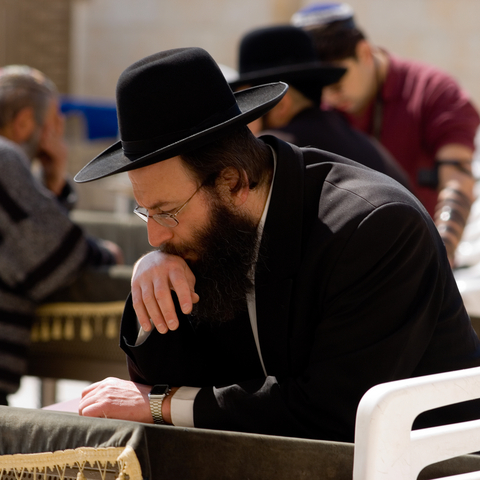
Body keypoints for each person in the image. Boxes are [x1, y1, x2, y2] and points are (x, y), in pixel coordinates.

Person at [75, 48, 480, 443]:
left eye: (165, 211)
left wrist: (166, 405)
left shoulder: (377, 226)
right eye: (146, 212)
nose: (155, 236)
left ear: (233, 183)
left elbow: (335, 413)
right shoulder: (212, 228)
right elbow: (157, 382)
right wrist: (151, 275)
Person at [291, 2, 480, 266]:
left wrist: (442, 252)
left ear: (365, 53)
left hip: (423, 254)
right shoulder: (319, 106)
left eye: (336, 83)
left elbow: (457, 177)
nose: (329, 97)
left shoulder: (434, 90)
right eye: (319, 89)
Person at [0, 65, 123, 405]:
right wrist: (105, 255)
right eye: (55, 118)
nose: (59, 129)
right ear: (25, 121)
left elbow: (22, 232)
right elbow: (50, 253)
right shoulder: (5, 157)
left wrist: (53, 180)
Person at [230, 24, 411, 189]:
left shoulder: (271, 152)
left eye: (248, 104)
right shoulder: (363, 143)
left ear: (280, 105)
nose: (241, 116)